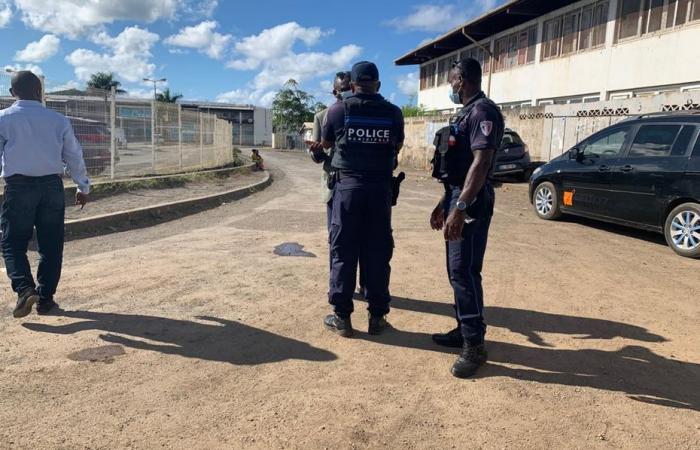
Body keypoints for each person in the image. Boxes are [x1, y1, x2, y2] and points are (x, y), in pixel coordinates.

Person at [309, 61, 404, 337]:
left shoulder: (338, 110)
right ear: (379, 84)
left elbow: (325, 146)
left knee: (343, 250)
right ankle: (377, 317)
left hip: (347, 191)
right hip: (379, 191)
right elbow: (396, 147)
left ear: (351, 85)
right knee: (377, 251)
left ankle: (342, 317)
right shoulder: (393, 113)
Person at [429, 58, 504, 378]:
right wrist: (444, 202)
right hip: (459, 196)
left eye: (451, 81)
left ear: (462, 79)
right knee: (456, 271)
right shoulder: (468, 111)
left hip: (471, 203)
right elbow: (459, 169)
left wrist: (459, 209)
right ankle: (464, 329)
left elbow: (481, 162)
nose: (450, 87)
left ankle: (475, 345)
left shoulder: (482, 112)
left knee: (464, 272)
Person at [0, 70, 90, 318]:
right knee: (51, 245)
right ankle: (45, 299)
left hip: (18, 188)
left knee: (12, 242)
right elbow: (74, 154)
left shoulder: (3, 119)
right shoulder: (58, 120)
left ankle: (24, 288)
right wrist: (83, 187)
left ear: (11, 93)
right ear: (40, 91)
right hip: (52, 186)